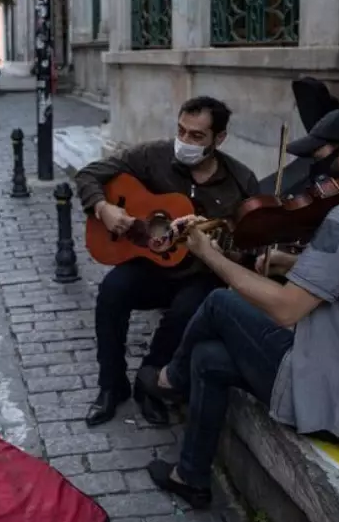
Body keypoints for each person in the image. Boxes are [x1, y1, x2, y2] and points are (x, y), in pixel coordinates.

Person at [136, 107, 339, 509]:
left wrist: (209, 256)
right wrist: (288, 263)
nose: (314, 170)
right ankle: (190, 476)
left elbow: (285, 311)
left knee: (219, 302)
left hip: (327, 403)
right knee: (209, 358)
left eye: (320, 158)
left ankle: (169, 381)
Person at [74, 96, 260, 427]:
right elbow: (89, 175)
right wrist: (104, 209)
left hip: (199, 272)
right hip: (151, 264)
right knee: (112, 292)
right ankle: (111, 385)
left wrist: (223, 251)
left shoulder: (241, 182)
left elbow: (247, 251)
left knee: (186, 311)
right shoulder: (152, 156)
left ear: (219, 139)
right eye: (181, 131)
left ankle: (151, 384)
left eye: (197, 136)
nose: (185, 142)